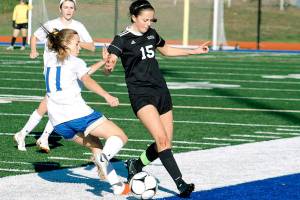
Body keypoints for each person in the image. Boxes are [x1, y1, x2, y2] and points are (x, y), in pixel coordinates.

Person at [105, 0, 209, 198]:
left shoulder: (151, 33)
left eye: (151, 20)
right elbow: (111, 61)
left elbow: (166, 49)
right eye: (145, 20)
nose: (148, 23)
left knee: (166, 143)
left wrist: (193, 51)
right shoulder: (122, 39)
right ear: (134, 18)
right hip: (140, 95)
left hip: (161, 91)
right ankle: (181, 184)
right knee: (161, 140)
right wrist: (108, 67)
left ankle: (135, 164)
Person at [42, 27, 130, 195]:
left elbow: (79, 72)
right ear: (66, 44)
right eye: (77, 43)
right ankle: (104, 159)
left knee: (96, 145)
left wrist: (102, 62)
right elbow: (85, 78)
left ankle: (117, 187)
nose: (80, 46)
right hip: (77, 114)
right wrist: (107, 95)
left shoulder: (49, 60)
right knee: (120, 137)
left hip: (58, 122)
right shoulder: (75, 62)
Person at [14, 0, 95, 153]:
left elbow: (91, 46)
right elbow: (34, 37)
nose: (69, 10)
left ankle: (29, 135)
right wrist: (33, 51)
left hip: (69, 69)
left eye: (71, 7)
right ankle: (32, 135)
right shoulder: (51, 24)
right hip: (53, 71)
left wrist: (72, 41)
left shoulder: (78, 26)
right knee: (53, 103)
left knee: (53, 104)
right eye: (66, 7)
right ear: (60, 9)